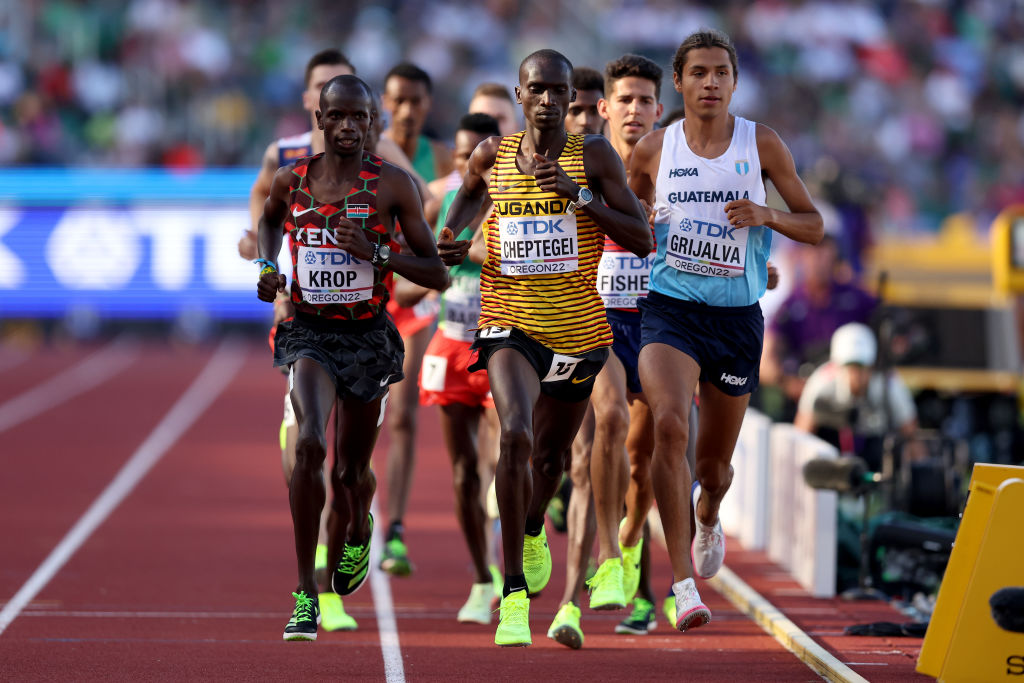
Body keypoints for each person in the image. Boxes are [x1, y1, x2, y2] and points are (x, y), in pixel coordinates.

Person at [438, 48, 652, 647]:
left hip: (578, 332)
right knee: (515, 434)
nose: (551, 101)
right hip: (508, 322)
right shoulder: (494, 155)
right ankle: (512, 597)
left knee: (552, 461)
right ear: (520, 95)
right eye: (538, 90)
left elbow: (638, 237)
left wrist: (579, 197)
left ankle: (533, 526)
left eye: (560, 91)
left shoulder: (595, 156)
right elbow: (467, 202)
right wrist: (451, 237)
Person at [628, 29, 823, 632]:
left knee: (712, 467)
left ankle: (709, 511)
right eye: (699, 73)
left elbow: (813, 226)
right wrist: (645, 225)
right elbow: (628, 221)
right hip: (670, 310)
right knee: (667, 425)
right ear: (679, 83)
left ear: (734, 83)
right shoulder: (653, 152)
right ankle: (682, 584)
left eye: (721, 73)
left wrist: (766, 215)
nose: (710, 83)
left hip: (735, 319)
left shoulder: (760, 144)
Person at [255, 75, 448, 641]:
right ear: (320, 119)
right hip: (310, 332)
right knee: (309, 441)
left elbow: (435, 271)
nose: (346, 127)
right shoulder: (293, 181)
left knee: (349, 473)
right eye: (335, 116)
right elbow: (268, 222)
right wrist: (269, 269)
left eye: (357, 118)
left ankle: (361, 524)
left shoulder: (392, 186)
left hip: (367, 336)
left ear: (372, 123)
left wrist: (379, 252)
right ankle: (303, 593)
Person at [393, 112, 506, 623]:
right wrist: (442, 265)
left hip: (503, 345)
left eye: (474, 156)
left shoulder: (513, 205)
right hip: (449, 345)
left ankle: (509, 511)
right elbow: (404, 288)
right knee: (461, 471)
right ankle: (483, 579)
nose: (467, 164)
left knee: (506, 449)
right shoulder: (439, 207)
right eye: (460, 156)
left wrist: (481, 252)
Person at [545, 62, 628, 650]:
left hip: (642, 326)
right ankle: (572, 598)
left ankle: (623, 565)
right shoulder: (545, 164)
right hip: (569, 321)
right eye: (569, 109)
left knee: (639, 446)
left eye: (641, 101)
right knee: (576, 461)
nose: (576, 119)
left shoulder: (641, 164)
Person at [761, 234, 877, 419]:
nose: (817, 260)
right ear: (801, 258)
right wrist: (789, 383)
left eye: (824, 253)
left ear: (835, 259)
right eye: (812, 252)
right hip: (806, 399)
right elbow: (765, 361)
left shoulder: (856, 298)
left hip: (853, 398)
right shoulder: (791, 306)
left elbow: (887, 326)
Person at [795, 322, 919, 468]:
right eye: (850, 367)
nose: (856, 376)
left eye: (861, 368)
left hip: (876, 455)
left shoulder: (888, 384)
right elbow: (801, 435)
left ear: (871, 366)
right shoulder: (821, 383)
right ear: (838, 366)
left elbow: (911, 435)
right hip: (831, 457)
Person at [381, 62, 453, 183]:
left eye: (416, 102)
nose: (407, 112)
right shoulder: (370, 153)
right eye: (399, 101)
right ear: (385, 101)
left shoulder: (442, 158)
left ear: (429, 103)